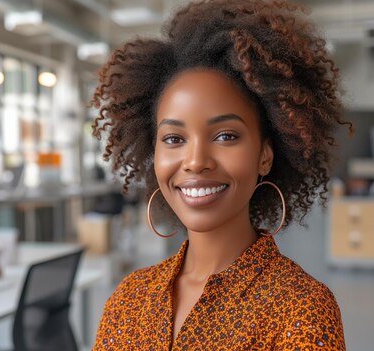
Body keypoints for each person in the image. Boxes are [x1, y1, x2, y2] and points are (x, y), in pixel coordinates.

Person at [90, 0, 350, 349]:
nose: (196, 161)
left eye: (226, 135)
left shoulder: (301, 310)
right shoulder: (128, 300)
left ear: (264, 155)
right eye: (174, 139)